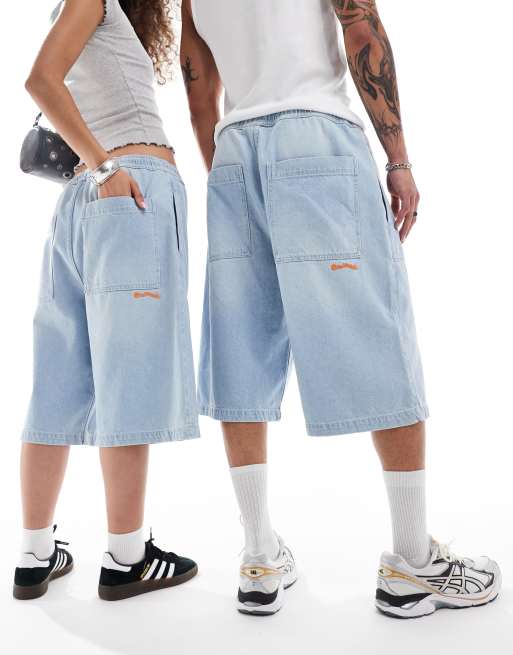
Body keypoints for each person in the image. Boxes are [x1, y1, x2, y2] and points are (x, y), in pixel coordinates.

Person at [180, 0, 501, 617]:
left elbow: (199, 83)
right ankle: (413, 562)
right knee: (378, 333)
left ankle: (258, 557)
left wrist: (226, 172)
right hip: (317, 135)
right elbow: (360, 28)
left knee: (239, 349)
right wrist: (398, 159)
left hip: (234, 148)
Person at [14, 0, 199, 601]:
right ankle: (127, 557)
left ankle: (35, 553)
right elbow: (40, 80)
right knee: (129, 374)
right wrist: (105, 165)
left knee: (58, 379)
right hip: (127, 194)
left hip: (81, 204)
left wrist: (97, 170)